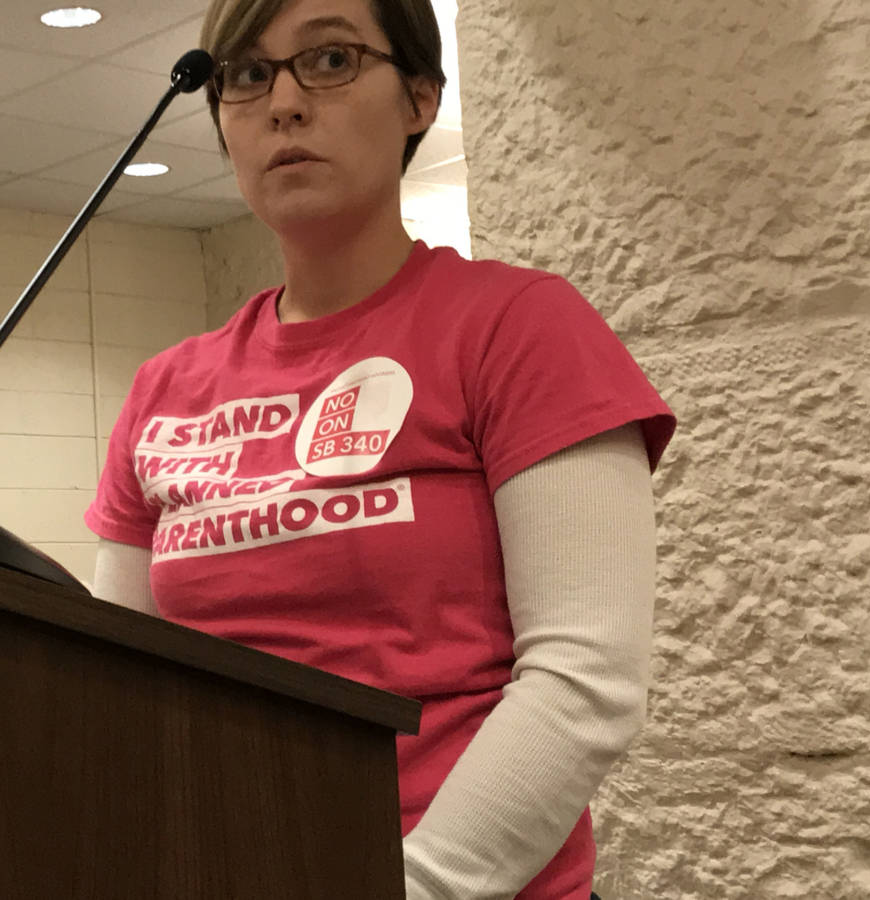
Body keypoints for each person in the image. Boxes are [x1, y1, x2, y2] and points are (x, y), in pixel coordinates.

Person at [84, 0, 677, 896]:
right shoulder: (165, 388)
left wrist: (412, 887)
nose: (282, 103)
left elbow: (585, 681)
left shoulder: (519, 326)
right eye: (246, 75)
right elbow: (118, 691)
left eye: (328, 59)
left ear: (420, 99)